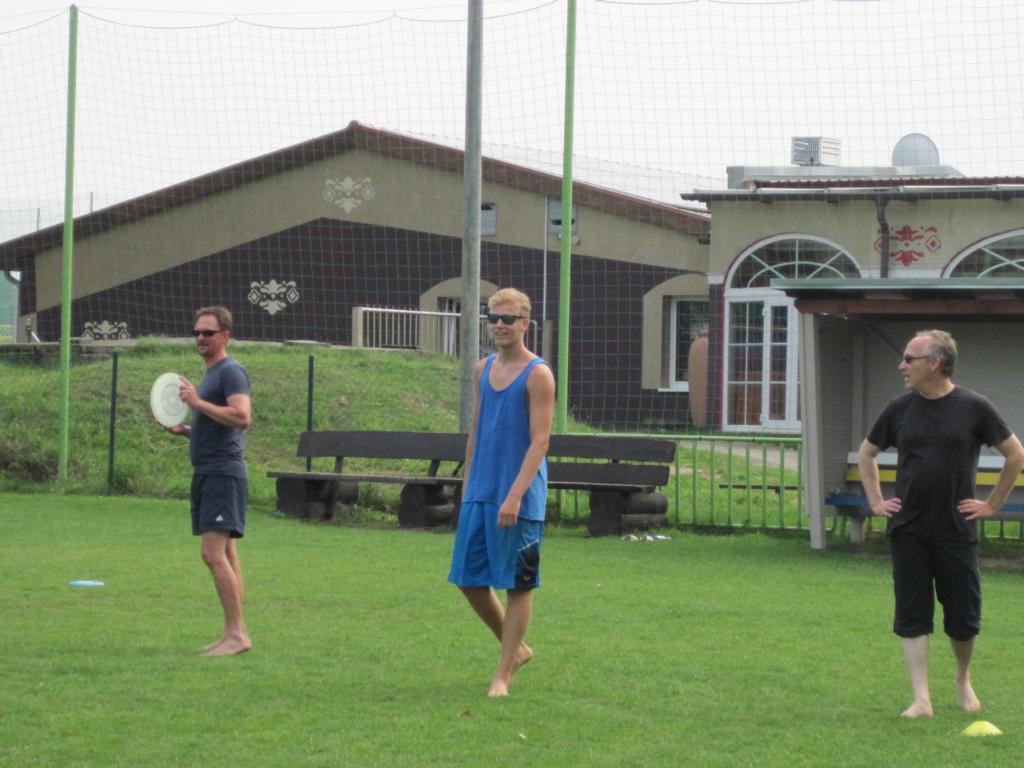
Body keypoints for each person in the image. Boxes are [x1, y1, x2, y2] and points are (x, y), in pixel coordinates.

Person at [857, 329, 1024, 718]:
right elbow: (867, 454)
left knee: (963, 616)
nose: (902, 366)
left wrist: (991, 504)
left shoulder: (974, 407)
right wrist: (877, 501)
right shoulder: (899, 408)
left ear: (934, 363)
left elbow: (1015, 455)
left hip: (955, 528)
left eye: (909, 359)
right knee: (912, 611)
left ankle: (962, 679)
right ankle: (922, 699)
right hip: (908, 528)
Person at [448, 288, 556, 697]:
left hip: (520, 498)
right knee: (468, 579)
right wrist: (467, 485)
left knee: (518, 584)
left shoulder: (538, 374)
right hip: (481, 491)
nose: (498, 325)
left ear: (525, 324)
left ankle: (503, 674)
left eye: (507, 319)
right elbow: (476, 431)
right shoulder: (482, 369)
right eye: (493, 317)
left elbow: (540, 441)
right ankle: (517, 650)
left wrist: (514, 496)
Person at [167, 306, 253, 656]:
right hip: (209, 472)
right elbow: (219, 424)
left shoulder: (231, 372)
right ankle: (233, 632)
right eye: (197, 332)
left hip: (222, 474)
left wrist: (197, 402)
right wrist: (189, 430)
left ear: (225, 336)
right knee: (227, 553)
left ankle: (237, 634)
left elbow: (241, 417)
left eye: (208, 332)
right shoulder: (212, 374)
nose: (200, 338)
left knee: (211, 553)